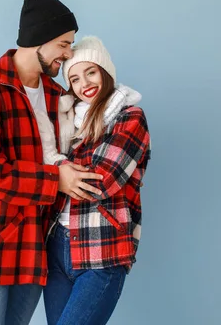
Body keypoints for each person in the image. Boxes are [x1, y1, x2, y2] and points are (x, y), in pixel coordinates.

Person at [0, 0, 104, 325]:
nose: (69, 54)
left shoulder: (59, 95)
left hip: (33, 248)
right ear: (37, 40)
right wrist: (55, 179)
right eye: (63, 44)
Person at [34, 36, 151, 325]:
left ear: (105, 71)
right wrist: (57, 171)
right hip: (57, 249)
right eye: (74, 78)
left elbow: (98, 182)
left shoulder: (130, 118)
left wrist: (55, 163)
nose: (84, 83)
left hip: (102, 251)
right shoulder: (67, 122)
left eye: (91, 72)